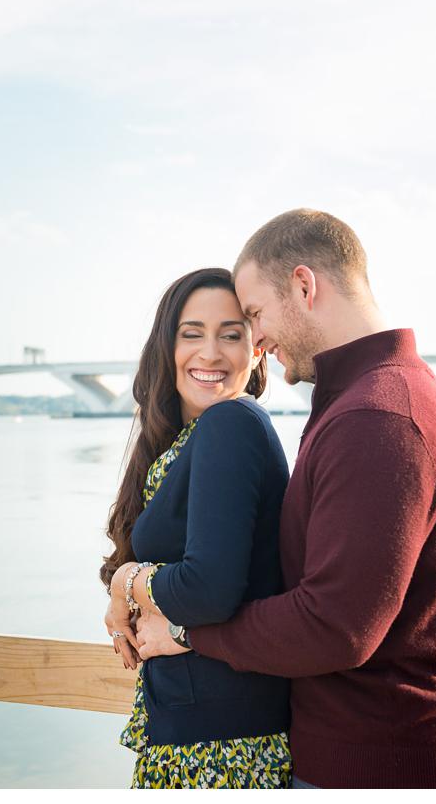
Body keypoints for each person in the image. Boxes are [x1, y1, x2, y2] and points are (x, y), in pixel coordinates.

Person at [130, 208, 436, 788]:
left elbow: (335, 628)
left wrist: (185, 632)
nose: (257, 338)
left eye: (254, 314)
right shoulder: (366, 400)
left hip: (396, 766)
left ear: (304, 286)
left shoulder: (379, 415)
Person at [97, 268, 292, 788]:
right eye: (192, 333)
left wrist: (126, 583)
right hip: (196, 737)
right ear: (167, 346)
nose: (210, 353)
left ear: (257, 350)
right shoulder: (186, 441)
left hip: (225, 751)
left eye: (231, 334)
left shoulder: (231, 424)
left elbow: (207, 592)